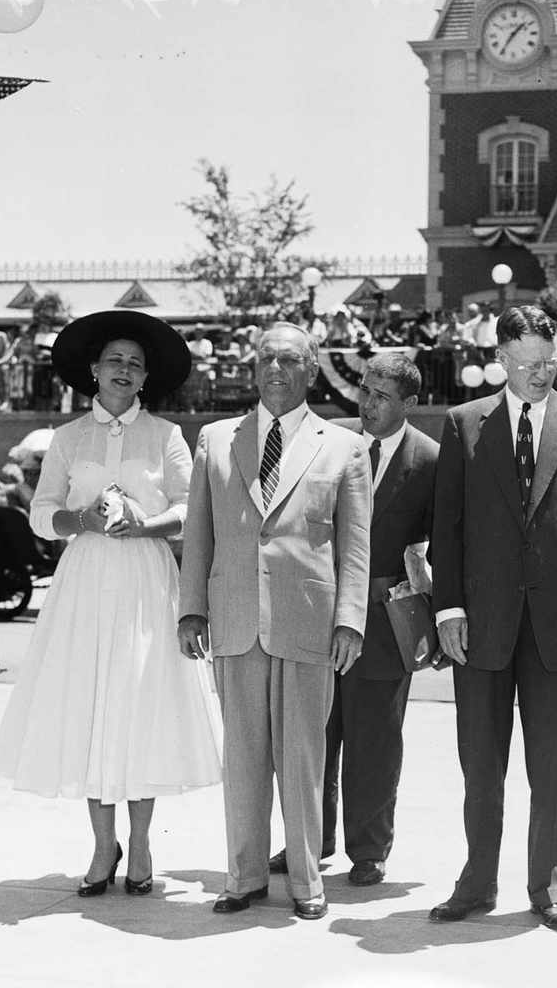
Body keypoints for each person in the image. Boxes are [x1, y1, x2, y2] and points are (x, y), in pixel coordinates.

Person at [0, 309, 222, 899]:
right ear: (94, 369)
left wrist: (147, 525)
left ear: (145, 377)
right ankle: (102, 844)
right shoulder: (69, 438)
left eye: (135, 364)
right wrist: (81, 520)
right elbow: (42, 512)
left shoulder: (166, 436)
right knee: (93, 703)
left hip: (146, 579)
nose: (124, 370)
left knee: (139, 704)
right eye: (114, 360)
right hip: (86, 581)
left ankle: (140, 843)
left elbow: (190, 508)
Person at [430, 304, 557, 933]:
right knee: (481, 768)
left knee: (551, 768)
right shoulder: (463, 424)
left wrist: (556, 568)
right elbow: (447, 529)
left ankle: (548, 889)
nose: (541, 373)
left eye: (550, 362)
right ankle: (476, 884)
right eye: (528, 363)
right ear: (501, 358)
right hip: (480, 624)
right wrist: (450, 608)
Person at [178, 321, 370, 922]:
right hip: (234, 619)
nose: (276, 369)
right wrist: (191, 609)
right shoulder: (215, 440)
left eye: (289, 359)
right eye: (266, 359)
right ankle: (245, 877)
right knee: (242, 759)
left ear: (312, 369)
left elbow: (355, 547)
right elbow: (198, 532)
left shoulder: (345, 446)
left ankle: (307, 882)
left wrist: (351, 620)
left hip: (309, 622)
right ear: (253, 368)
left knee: (304, 759)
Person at [268, 354, 439, 887]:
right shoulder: (329, 438)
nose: (367, 403)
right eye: (365, 390)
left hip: (386, 618)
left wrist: (440, 615)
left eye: (382, 396)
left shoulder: (431, 459)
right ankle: (309, 839)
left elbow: (445, 543)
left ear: (410, 404)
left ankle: (368, 850)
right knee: (311, 733)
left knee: (375, 740)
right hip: (316, 609)